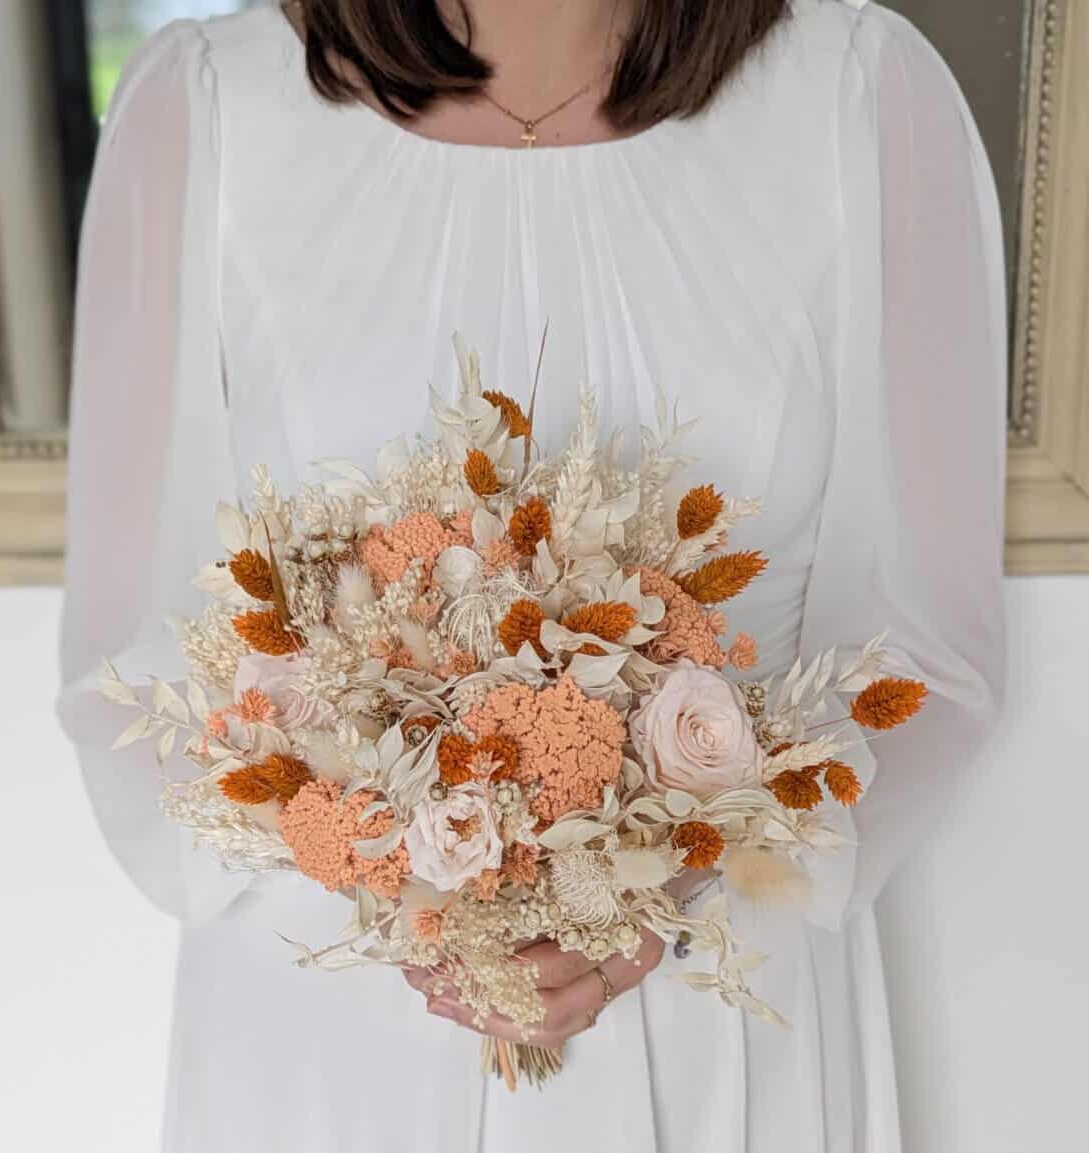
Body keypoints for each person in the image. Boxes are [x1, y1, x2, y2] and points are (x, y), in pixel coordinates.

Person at [55, 1, 1007, 1149]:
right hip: (344, 1021)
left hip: (721, 1008)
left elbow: (924, 641)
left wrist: (654, 881)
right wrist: (411, 871)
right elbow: (134, 649)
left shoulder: (863, 93)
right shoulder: (204, 102)